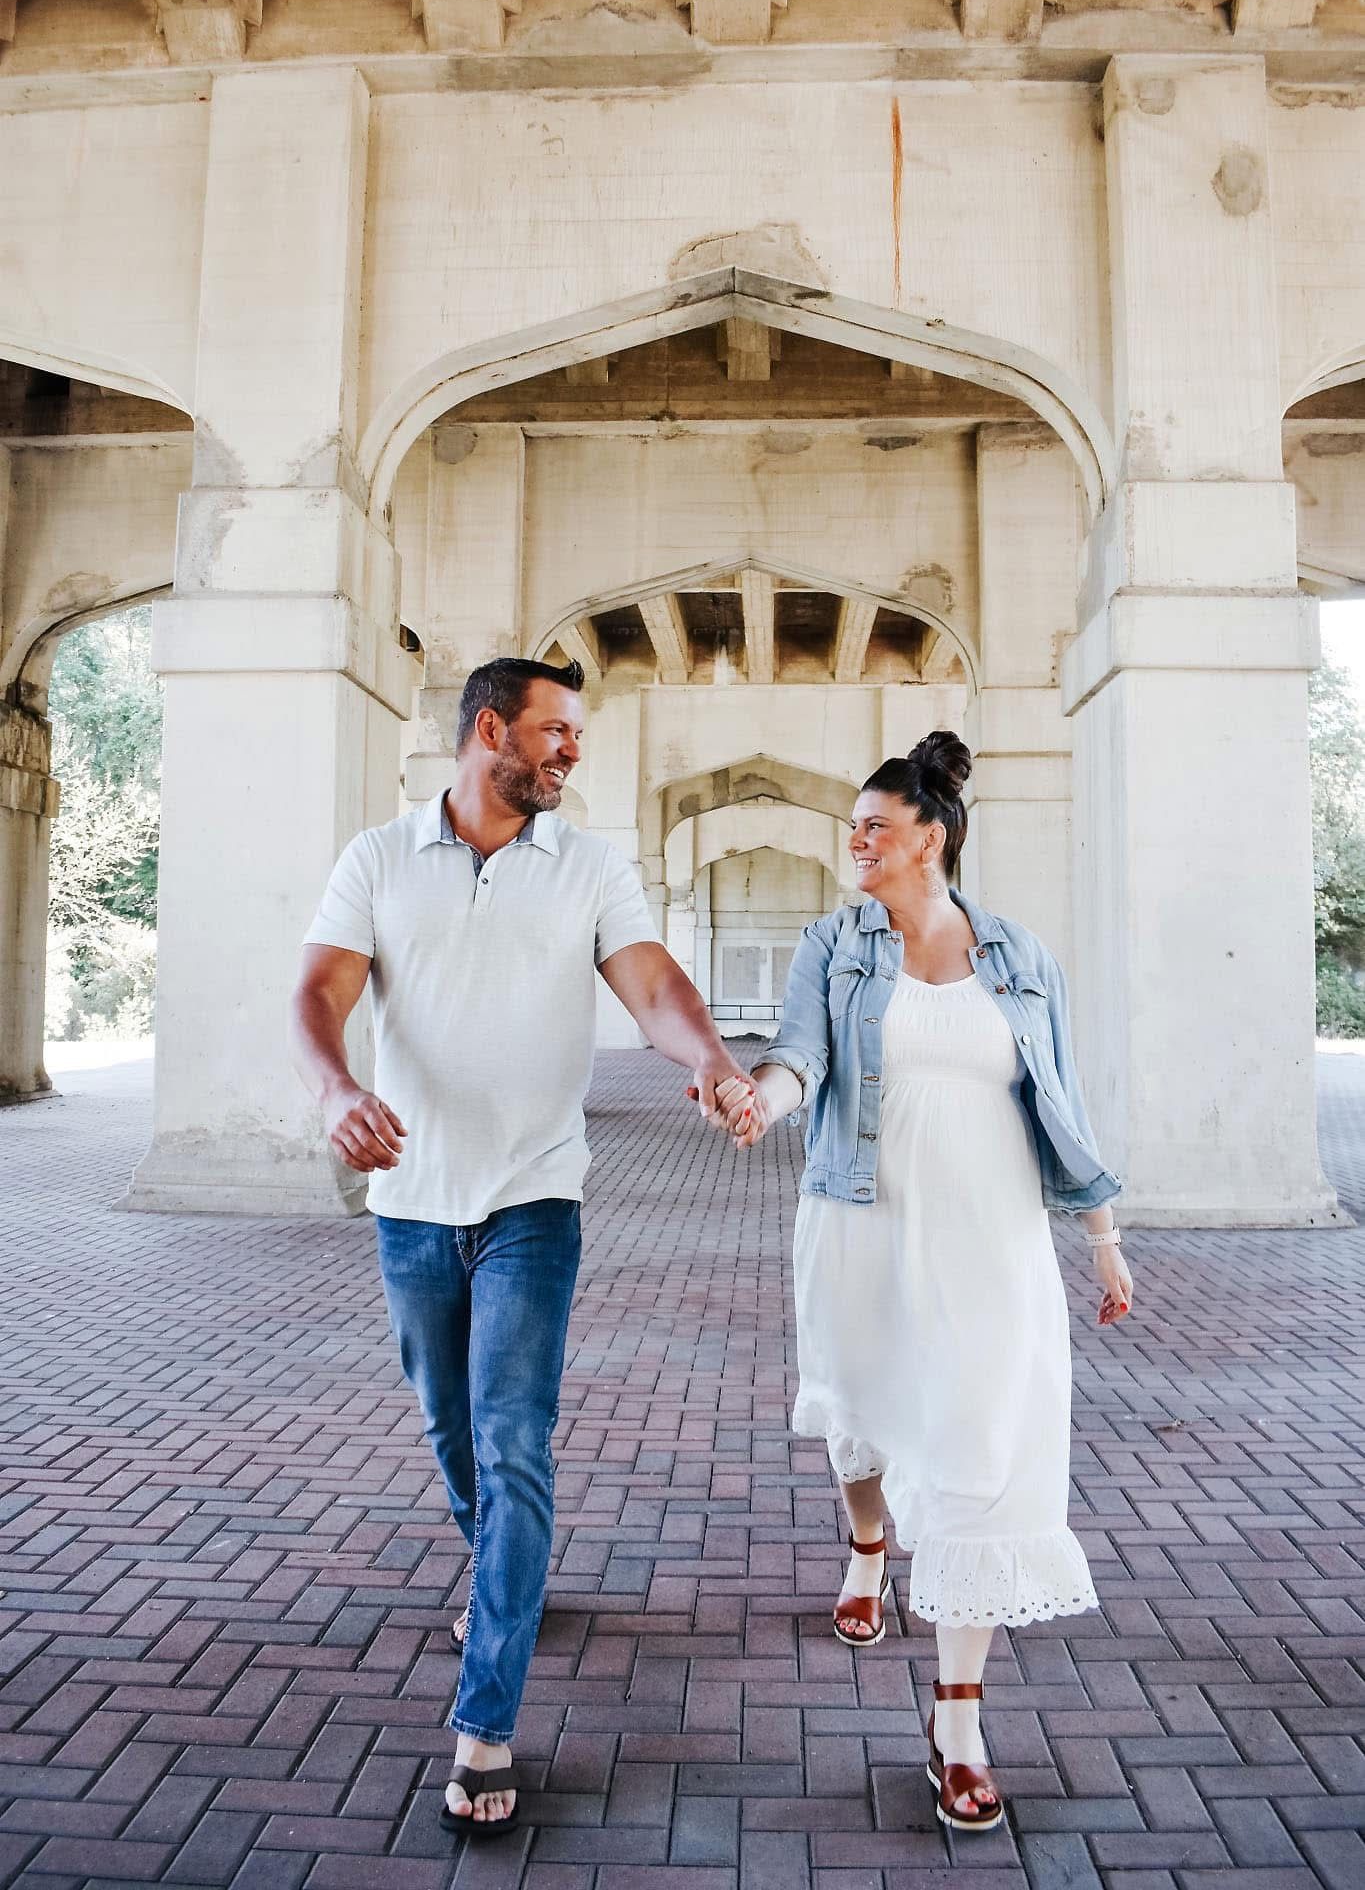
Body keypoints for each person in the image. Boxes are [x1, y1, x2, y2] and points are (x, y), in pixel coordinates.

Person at [290, 656, 752, 1839]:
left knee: (513, 1440)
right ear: (488, 728)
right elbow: (319, 992)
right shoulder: (378, 859)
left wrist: (704, 1054)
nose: (571, 750)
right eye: (555, 730)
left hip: (535, 1203)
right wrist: (336, 1084)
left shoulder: (591, 864)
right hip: (412, 1209)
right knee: (454, 1433)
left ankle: (484, 1719)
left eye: (580, 733)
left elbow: (650, 982)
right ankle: (507, 1567)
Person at [704, 730, 1129, 1834]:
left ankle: (957, 1722)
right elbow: (800, 1056)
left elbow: (1062, 1101)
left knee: (983, 1454)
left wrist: (1103, 1237)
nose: (856, 842)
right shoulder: (834, 943)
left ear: (929, 837)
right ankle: (866, 1542)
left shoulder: (1021, 955)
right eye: (853, 827)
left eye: (874, 827)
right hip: (863, 1221)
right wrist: (760, 1097)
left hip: (992, 1243)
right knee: (865, 1415)